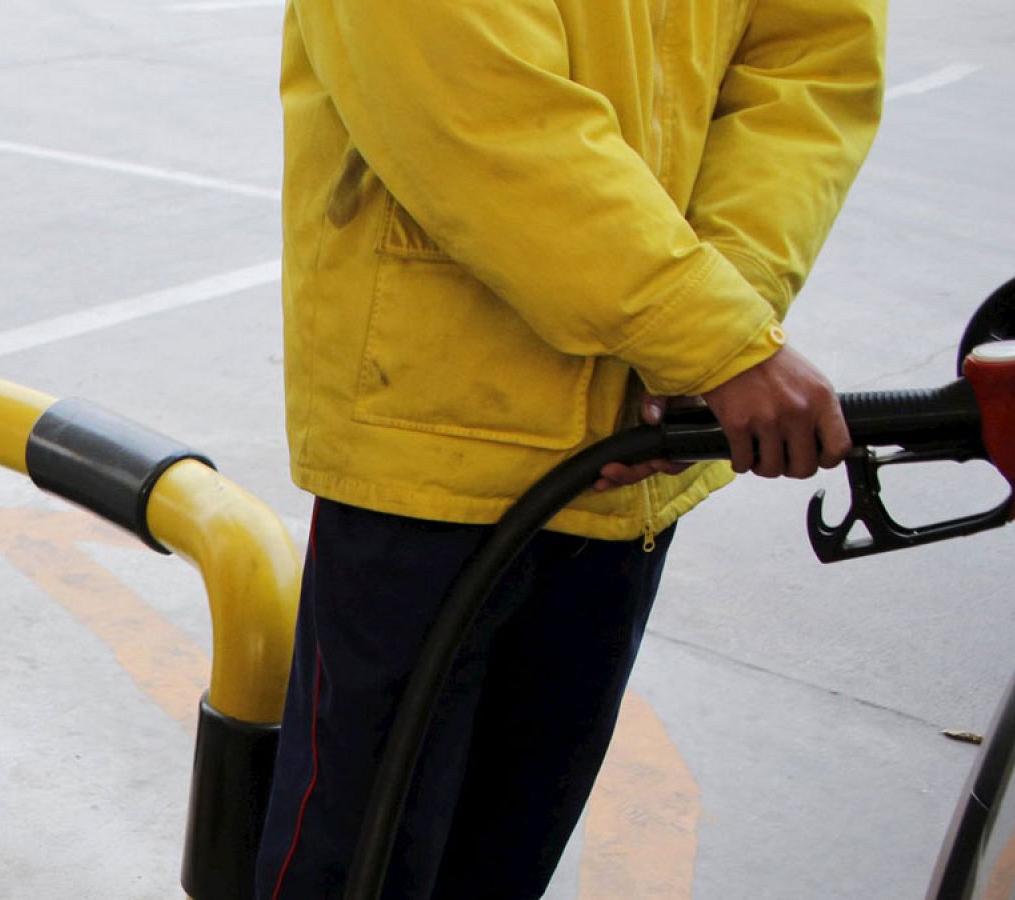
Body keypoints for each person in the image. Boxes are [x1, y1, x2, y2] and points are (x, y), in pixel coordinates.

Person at [255, 1, 887, 897]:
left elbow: (808, 64)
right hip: (436, 451)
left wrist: (720, 318)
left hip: (636, 449)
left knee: (504, 855)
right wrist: (709, 341)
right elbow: (471, 111)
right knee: (361, 865)